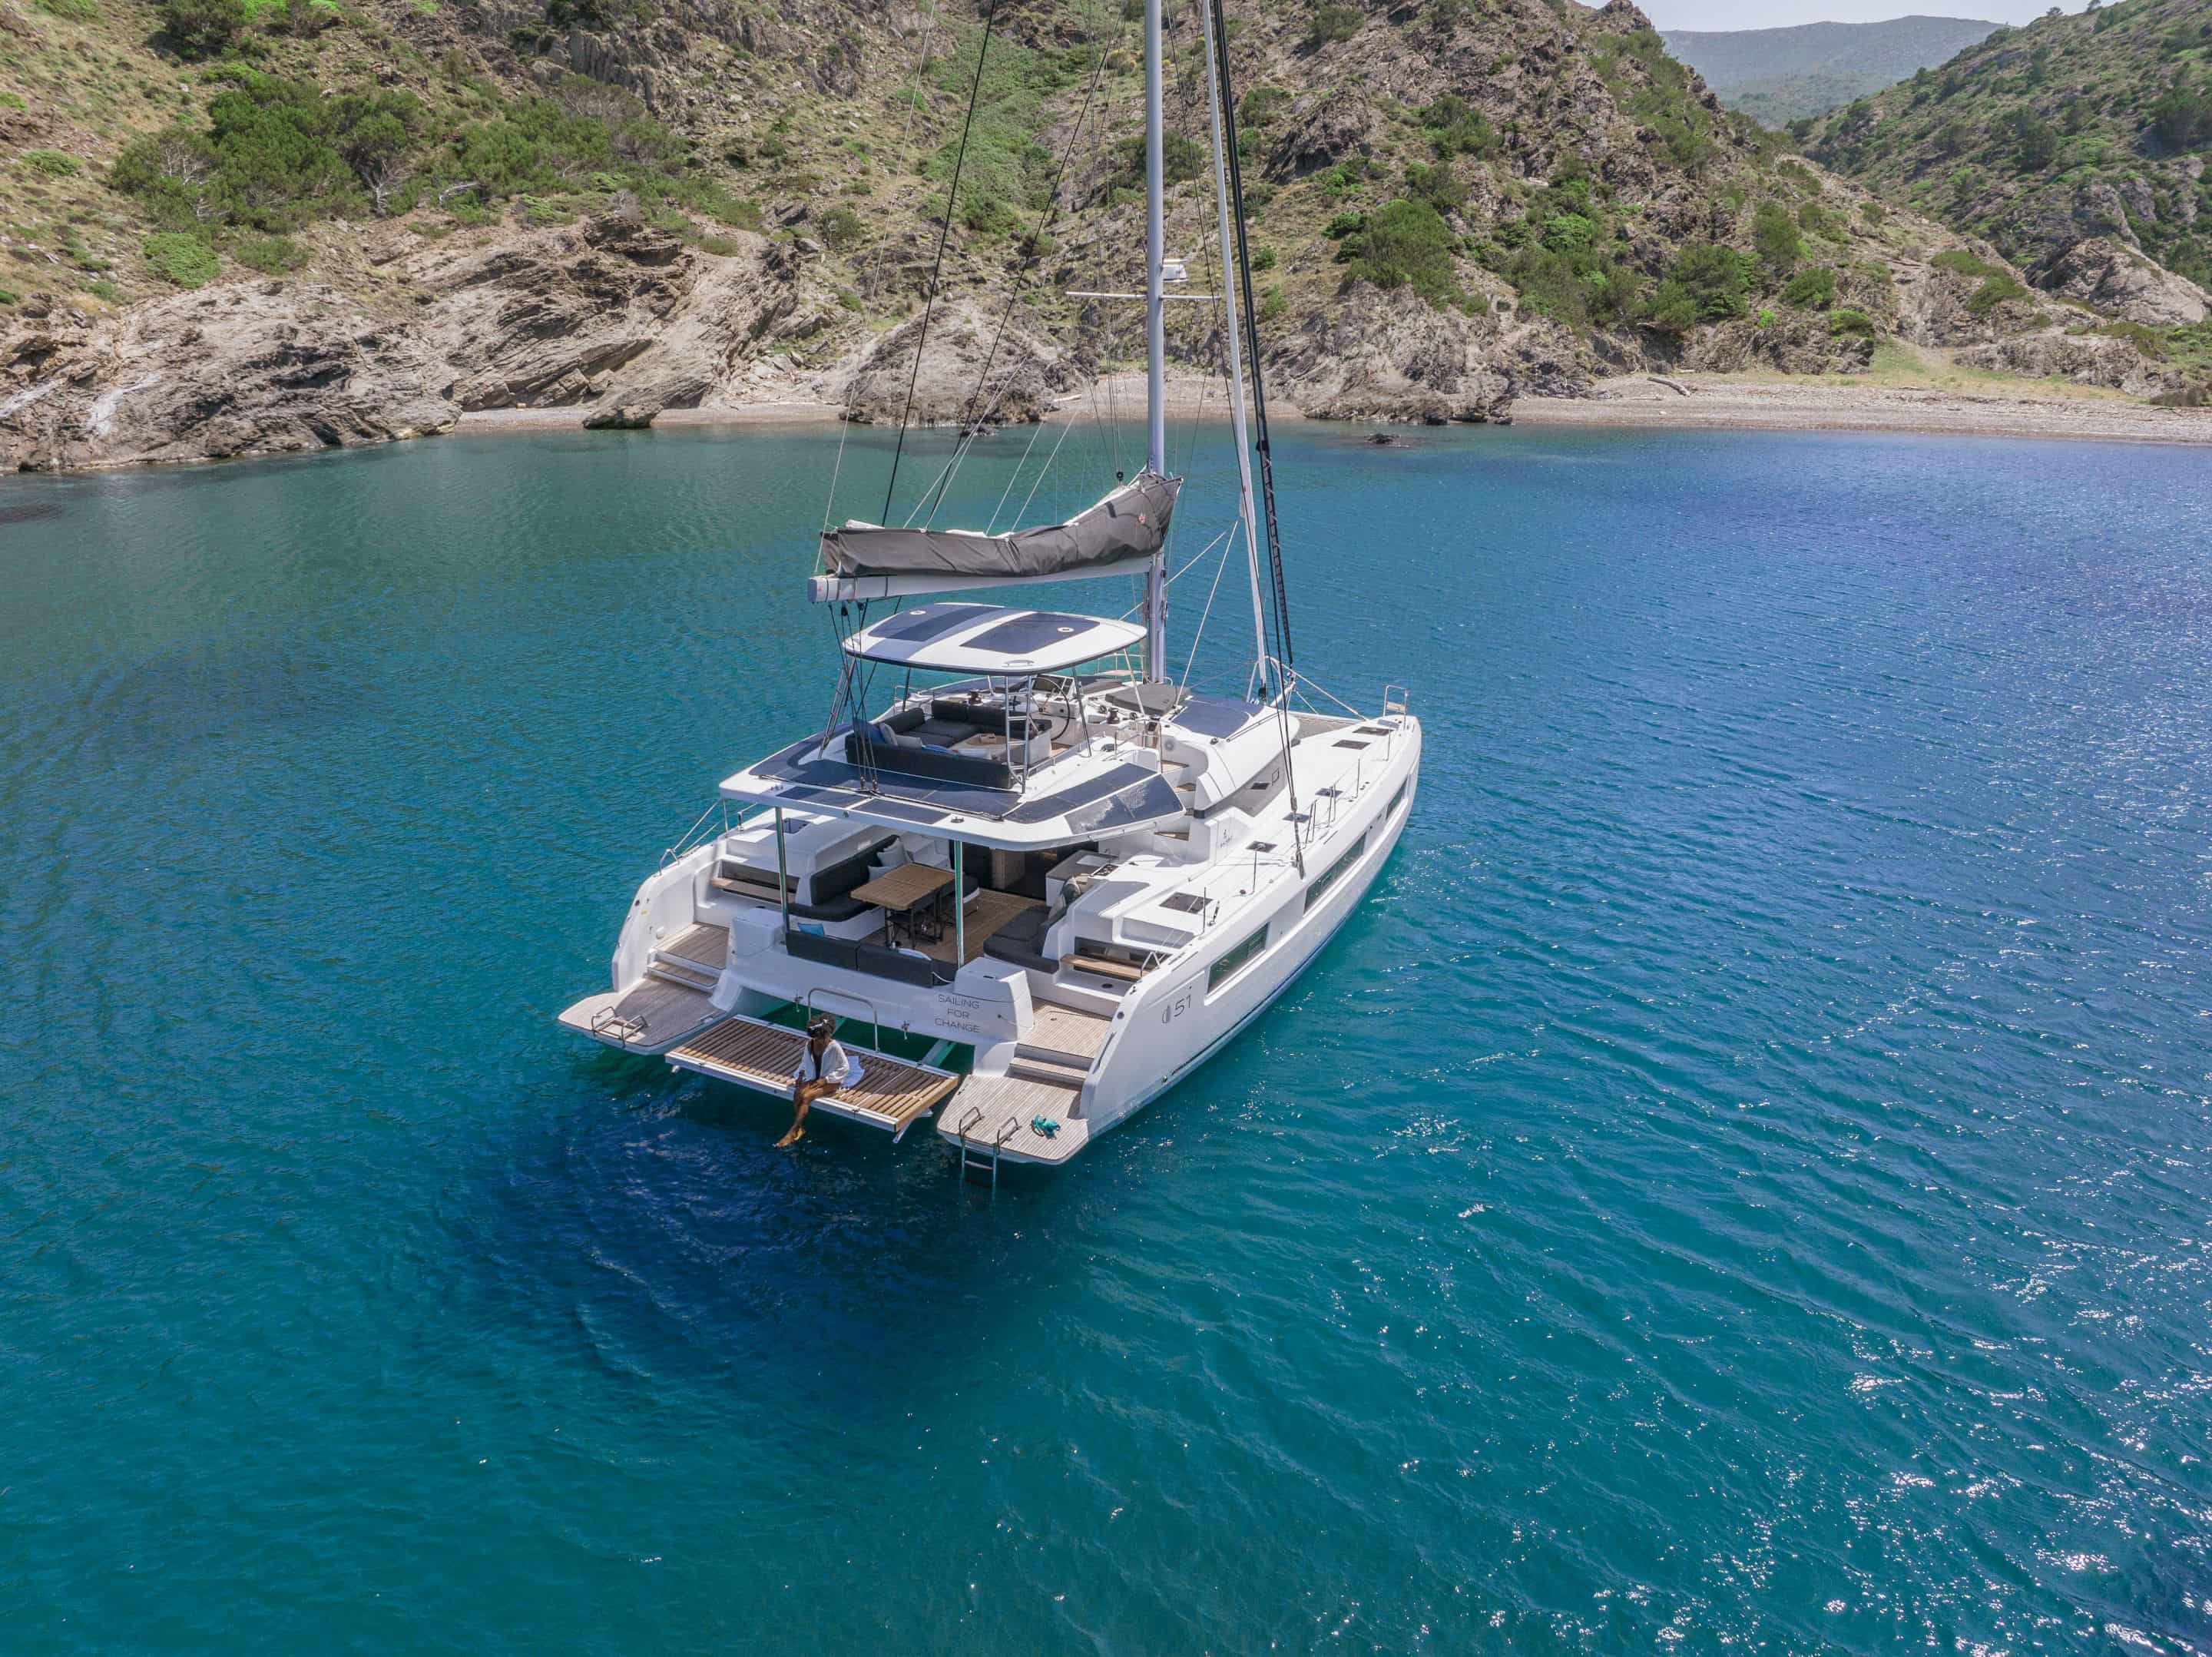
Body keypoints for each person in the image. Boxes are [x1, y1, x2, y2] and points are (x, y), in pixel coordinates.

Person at [777, 1014, 861, 1148]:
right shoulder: (810, 1044)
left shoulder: (835, 1046)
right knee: (797, 1092)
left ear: (829, 1034)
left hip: (832, 1081)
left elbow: (845, 1067)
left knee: (806, 1097)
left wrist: (827, 1079)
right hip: (814, 1078)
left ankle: (793, 1131)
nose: (820, 1040)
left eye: (822, 1037)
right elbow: (805, 1062)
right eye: (817, 1038)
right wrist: (800, 1075)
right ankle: (800, 1128)